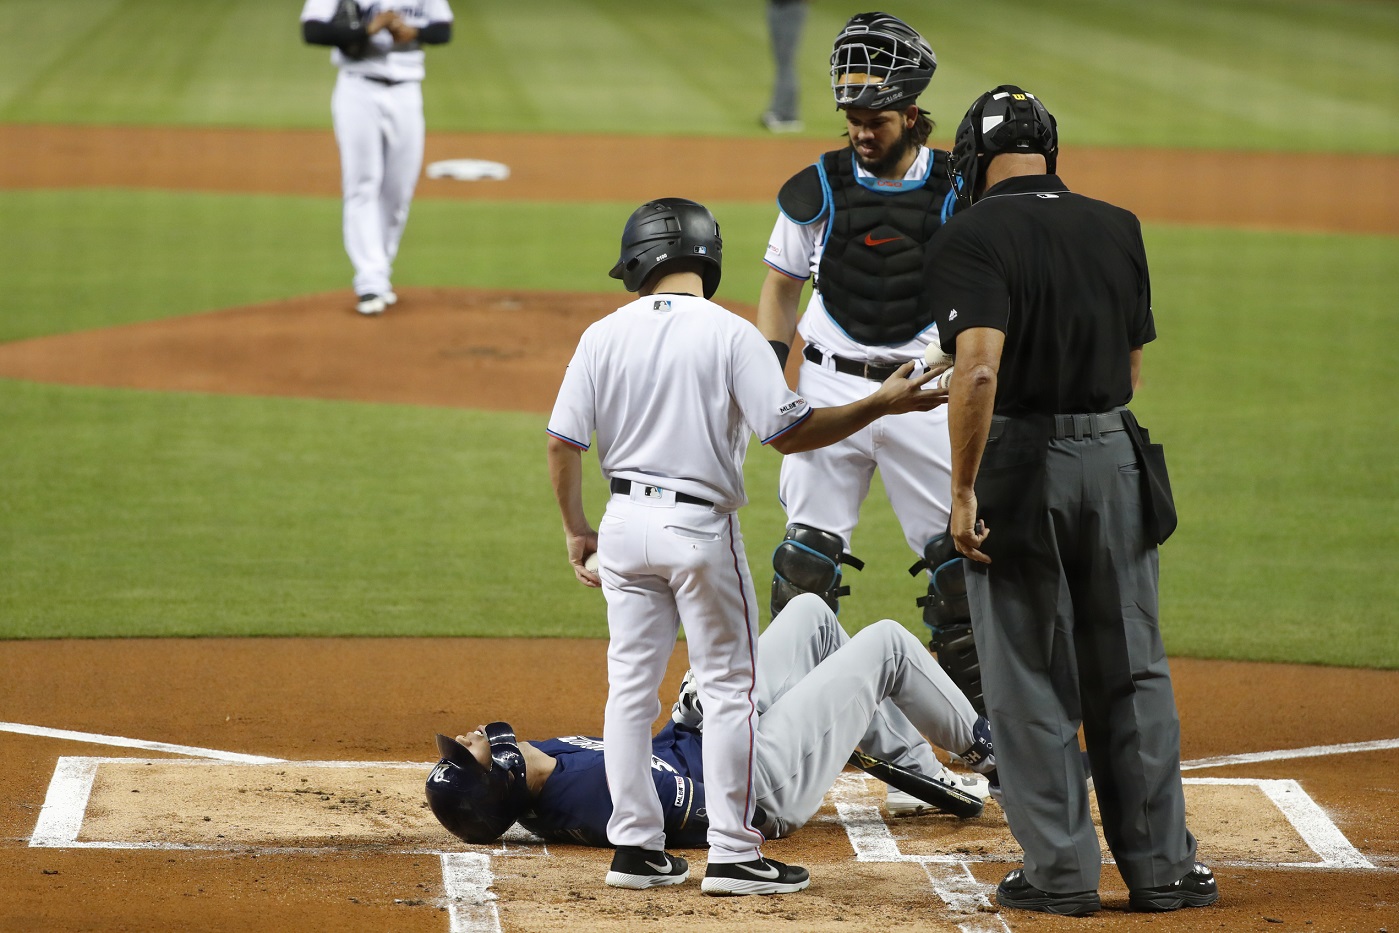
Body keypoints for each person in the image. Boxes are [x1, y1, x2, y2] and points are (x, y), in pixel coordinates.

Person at [546, 198, 946, 895]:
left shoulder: (600, 334)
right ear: (706, 257)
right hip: (698, 530)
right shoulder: (730, 335)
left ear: (639, 260)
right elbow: (787, 431)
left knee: (630, 688)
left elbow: (562, 442)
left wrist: (576, 529)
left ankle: (635, 849)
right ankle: (733, 853)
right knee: (731, 688)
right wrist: (878, 404)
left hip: (622, 525)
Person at [922, 85, 1218, 917]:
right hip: (1114, 456)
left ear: (975, 160)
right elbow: (1128, 369)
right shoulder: (1117, 225)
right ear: (1049, 153)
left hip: (1020, 464)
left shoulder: (968, 234)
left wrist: (962, 488)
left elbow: (978, 367)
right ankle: (1163, 869)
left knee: (1025, 673)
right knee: (1131, 667)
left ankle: (1060, 874)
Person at [757, 12, 985, 717]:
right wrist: (769, 374)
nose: (859, 130)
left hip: (924, 387)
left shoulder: (957, 188)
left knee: (959, 570)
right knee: (804, 564)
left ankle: (984, 726)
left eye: (875, 119)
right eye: (851, 116)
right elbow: (779, 286)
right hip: (829, 382)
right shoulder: (818, 186)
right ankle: (791, 714)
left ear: (912, 115)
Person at [425, 594, 996, 851]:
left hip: (717, 740)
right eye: (466, 755)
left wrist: (695, 711)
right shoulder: (586, 798)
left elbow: (657, 755)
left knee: (812, 615)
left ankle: (921, 777)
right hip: (758, 780)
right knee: (889, 645)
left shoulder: (539, 763)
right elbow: (709, 813)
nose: (470, 738)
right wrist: (733, 710)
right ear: (496, 778)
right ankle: (988, 755)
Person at [300, 0, 454, 316]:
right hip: (358, 88)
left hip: (408, 92)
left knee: (398, 191)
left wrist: (415, 30)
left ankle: (378, 270)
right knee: (362, 184)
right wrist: (364, 29)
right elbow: (312, 29)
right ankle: (370, 281)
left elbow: (444, 29)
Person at [762, 0, 810, 133]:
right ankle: (780, 111)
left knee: (786, 61)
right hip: (777, 6)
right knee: (782, 62)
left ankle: (786, 115)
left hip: (791, 7)